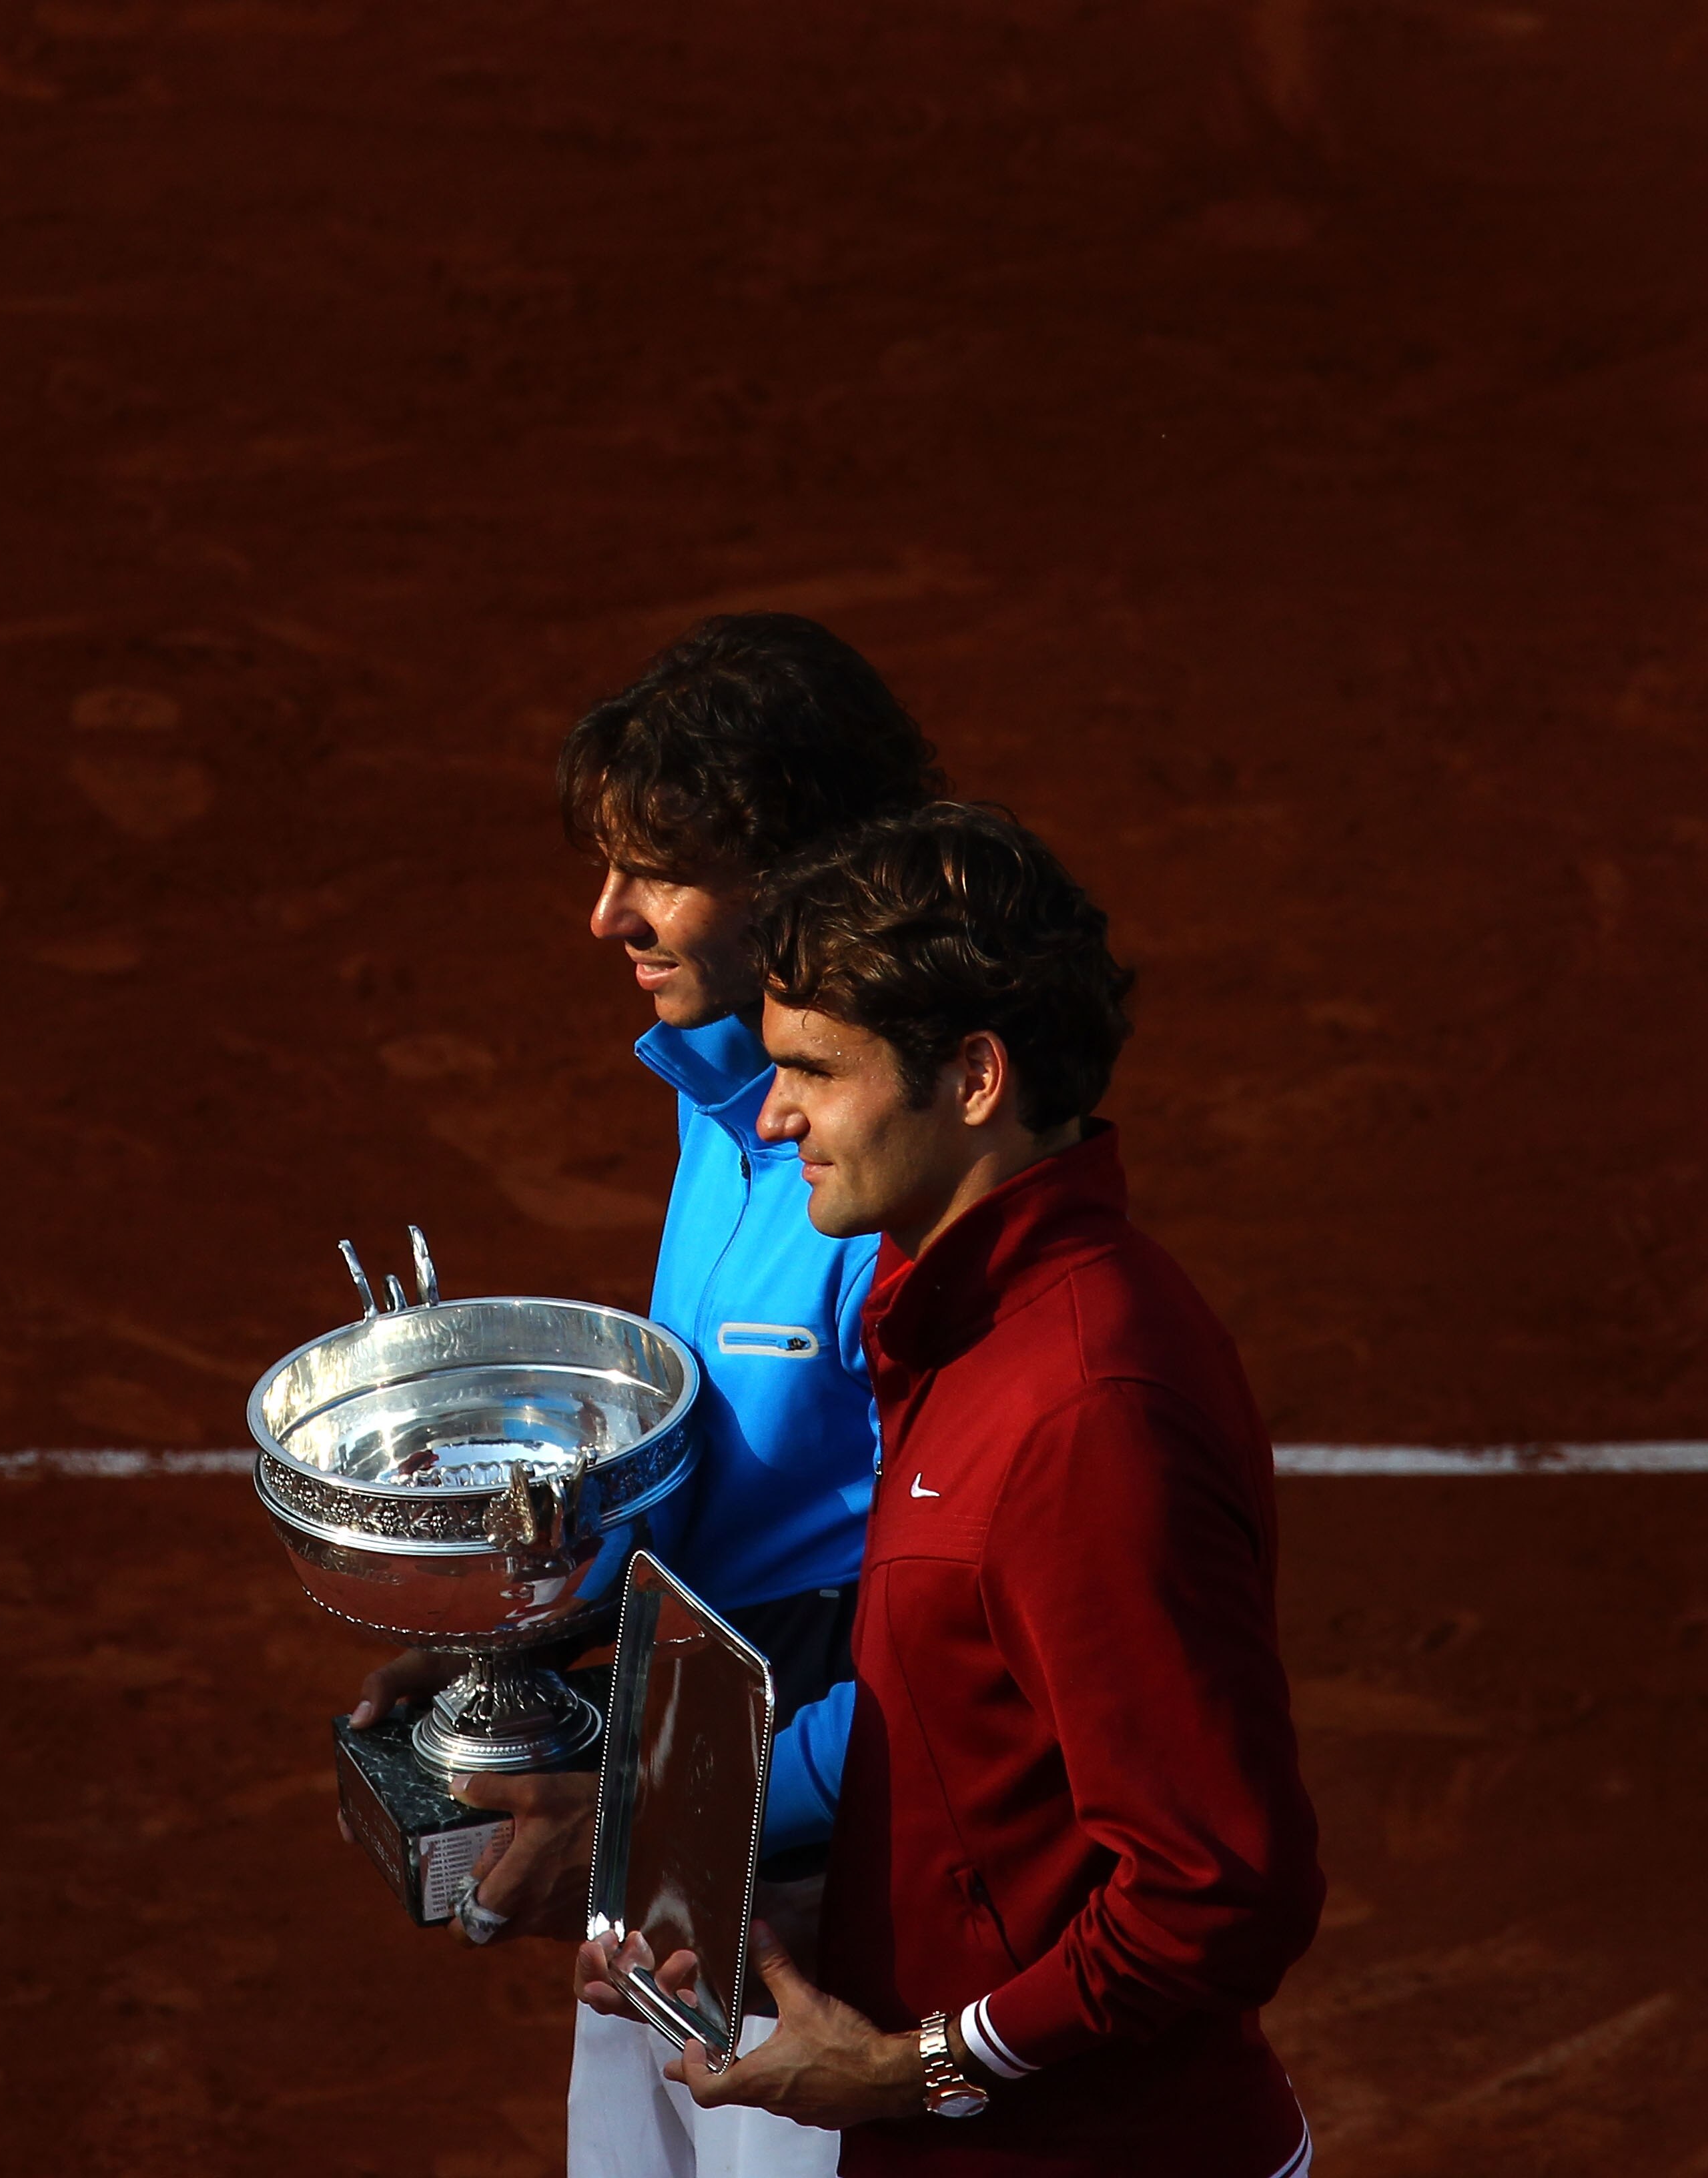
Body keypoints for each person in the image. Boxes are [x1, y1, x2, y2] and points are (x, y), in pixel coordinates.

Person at [580, 803, 1324, 2175]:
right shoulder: (948, 1321)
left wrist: (916, 2064)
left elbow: (1212, 1894)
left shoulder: (1088, 1417)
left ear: (974, 1078)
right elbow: (977, 1767)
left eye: (815, 1070)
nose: (779, 1110)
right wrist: (822, 1929)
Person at [345, 614, 943, 2178]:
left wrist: (661, 1805)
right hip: (693, 1765)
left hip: (819, 1876)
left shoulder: (892, 1190)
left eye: (655, 871)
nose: (605, 914)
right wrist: (530, 1651)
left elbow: (942, 1634)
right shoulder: (714, 1098)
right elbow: (729, 1497)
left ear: (804, 873)